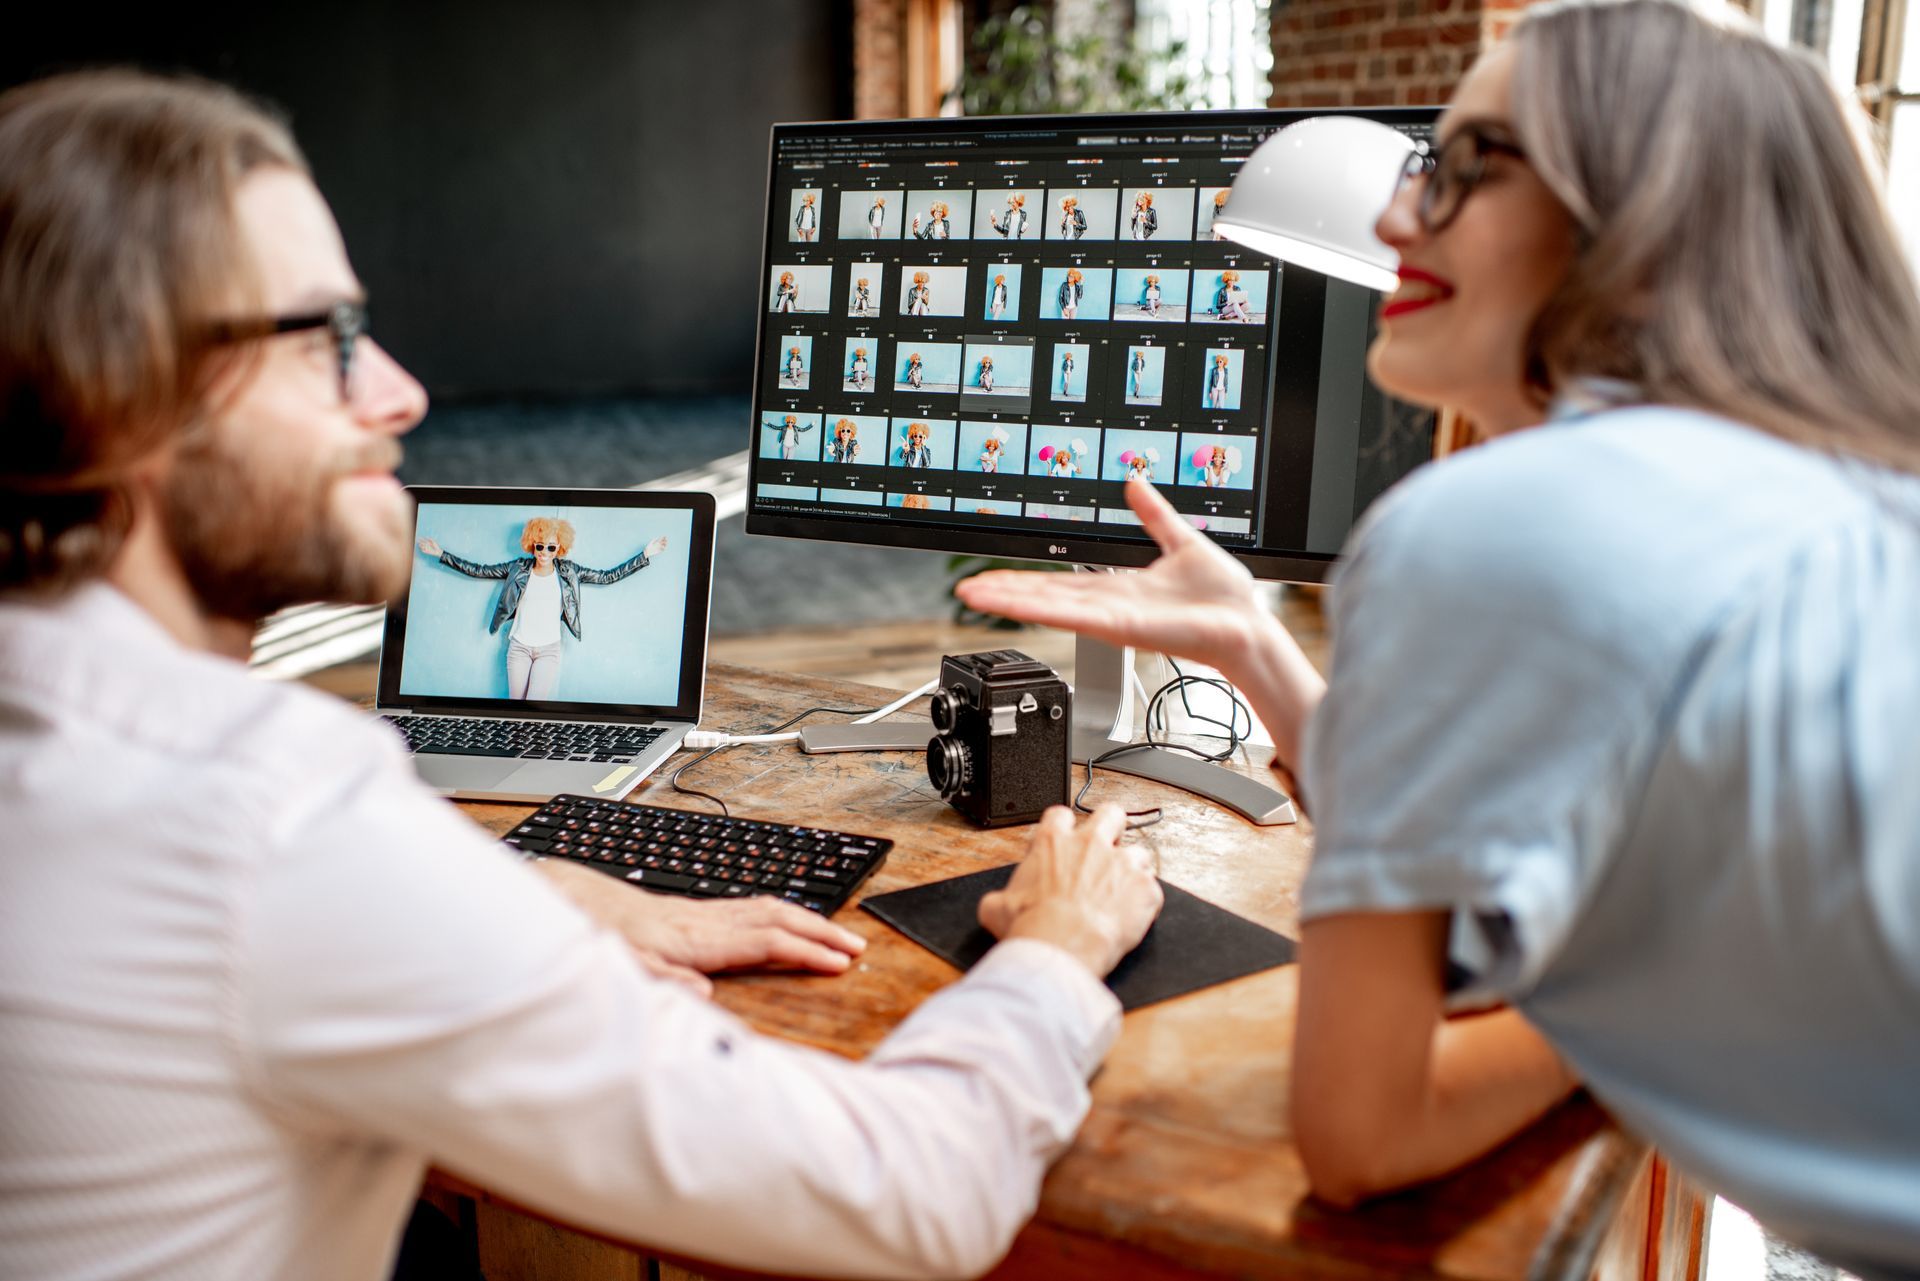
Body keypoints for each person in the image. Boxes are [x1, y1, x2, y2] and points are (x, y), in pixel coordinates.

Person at [0, 70, 1165, 1281]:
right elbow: (903, 1193)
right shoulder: (274, 822)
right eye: (328, 339)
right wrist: (1054, 945)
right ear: (113, 386)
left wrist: (517, 894)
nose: (400, 394)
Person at [958, 1, 1920, 1274]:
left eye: (1464, 171)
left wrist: (1608, 1008)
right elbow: (1458, 837)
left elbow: (1363, 1131)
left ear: (1639, 209)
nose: (1396, 220)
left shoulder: (1486, 525)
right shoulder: (1841, 494)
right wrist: (1252, 639)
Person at [416, 519, 668, 700]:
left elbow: (607, 577)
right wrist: (441, 554)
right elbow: (480, 570)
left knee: (534, 709)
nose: (545, 553)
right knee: (517, 709)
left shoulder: (569, 571)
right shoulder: (518, 568)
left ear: (560, 548)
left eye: (551, 547)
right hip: (519, 648)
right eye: (540, 546)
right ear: (532, 545)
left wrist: (645, 555)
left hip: (549, 650)